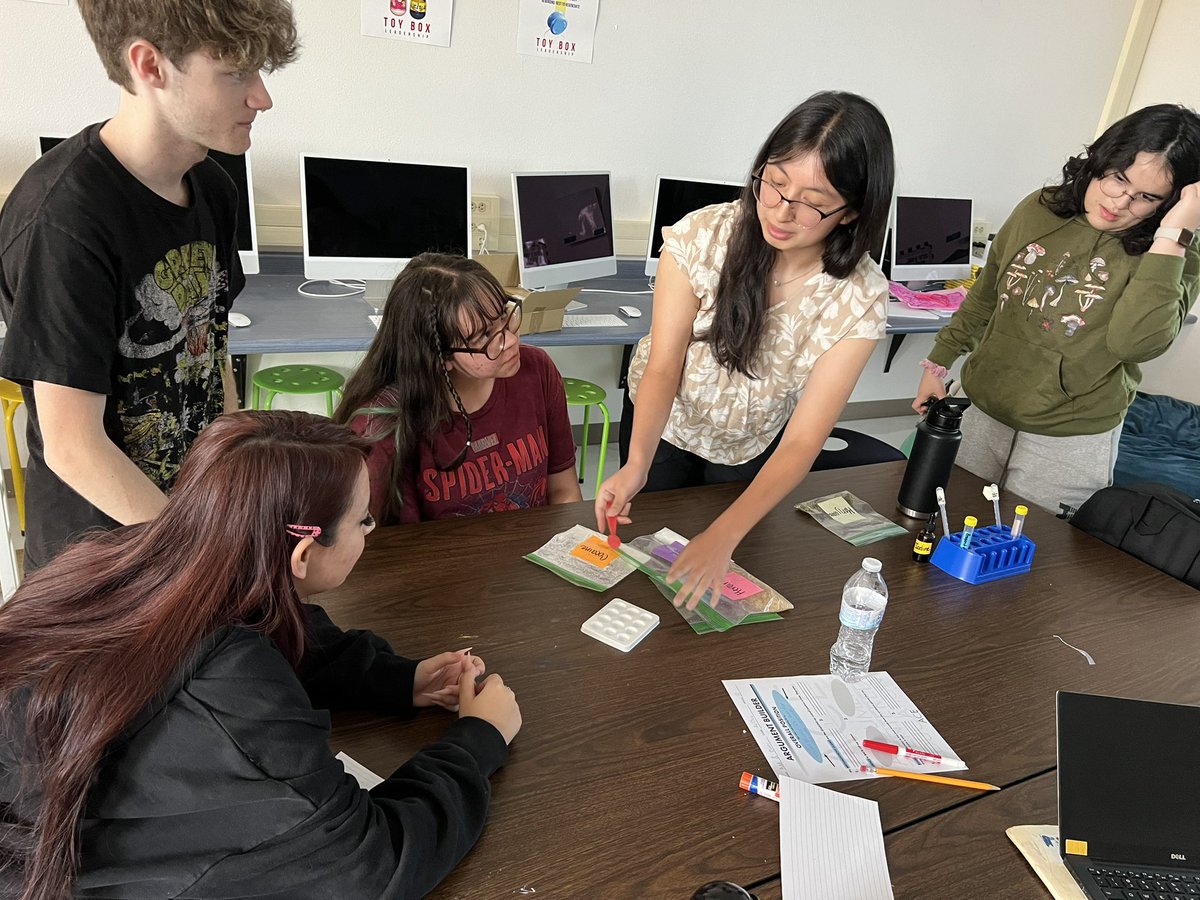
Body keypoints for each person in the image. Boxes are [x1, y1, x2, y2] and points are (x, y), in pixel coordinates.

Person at [0, 410, 523, 898]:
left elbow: (273, 625)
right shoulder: (234, 697)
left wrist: (397, 679)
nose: (370, 531)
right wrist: (478, 739)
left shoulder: (124, 562)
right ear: (302, 553)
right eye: (363, 522)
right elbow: (370, 865)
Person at [0, 0, 299, 571]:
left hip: (192, 521)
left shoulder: (213, 188)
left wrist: (232, 495)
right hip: (105, 563)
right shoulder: (64, 220)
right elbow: (73, 446)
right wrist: (199, 555)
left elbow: (212, 354)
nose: (262, 97)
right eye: (237, 71)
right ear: (150, 65)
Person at [596, 91, 895, 608]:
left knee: (719, 568)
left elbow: (803, 441)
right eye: (774, 184)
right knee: (650, 561)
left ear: (851, 213)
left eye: (813, 202)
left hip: (753, 442)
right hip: (664, 421)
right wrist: (637, 462)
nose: (780, 211)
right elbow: (664, 365)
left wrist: (723, 535)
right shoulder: (703, 237)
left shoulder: (859, 296)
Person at [913, 104, 1200, 514]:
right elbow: (987, 292)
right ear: (1101, 160)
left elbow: (1134, 343)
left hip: (1072, 434)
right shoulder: (1041, 208)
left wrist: (1173, 235)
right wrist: (938, 363)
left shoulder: (1176, 253)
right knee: (944, 525)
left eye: (1147, 197)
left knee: (1032, 560)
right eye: (1118, 178)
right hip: (983, 407)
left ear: (1169, 203)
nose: (1120, 203)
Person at [335, 253, 582, 524]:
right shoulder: (383, 425)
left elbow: (565, 492)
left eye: (504, 315)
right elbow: (377, 548)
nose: (510, 340)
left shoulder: (536, 369)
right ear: (441, 357)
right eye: (485, 336)